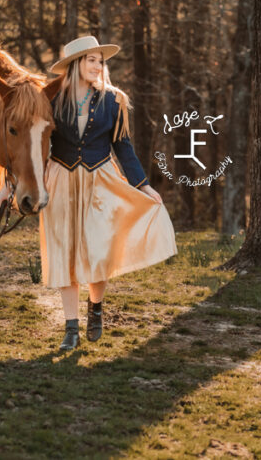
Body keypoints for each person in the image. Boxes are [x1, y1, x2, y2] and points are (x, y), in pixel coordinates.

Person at [39, 35, 177, 351]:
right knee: (65, 254)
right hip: (61, 180)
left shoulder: (113, 101)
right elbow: (38, 142)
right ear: (75, 65)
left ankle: (96, 307)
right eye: (91, 60)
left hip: (100, 179)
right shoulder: (50, 101)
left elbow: (122, 146)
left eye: (100, 61)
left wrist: (142, 184)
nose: (97, 66)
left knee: (98, 251)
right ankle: (71, 328)